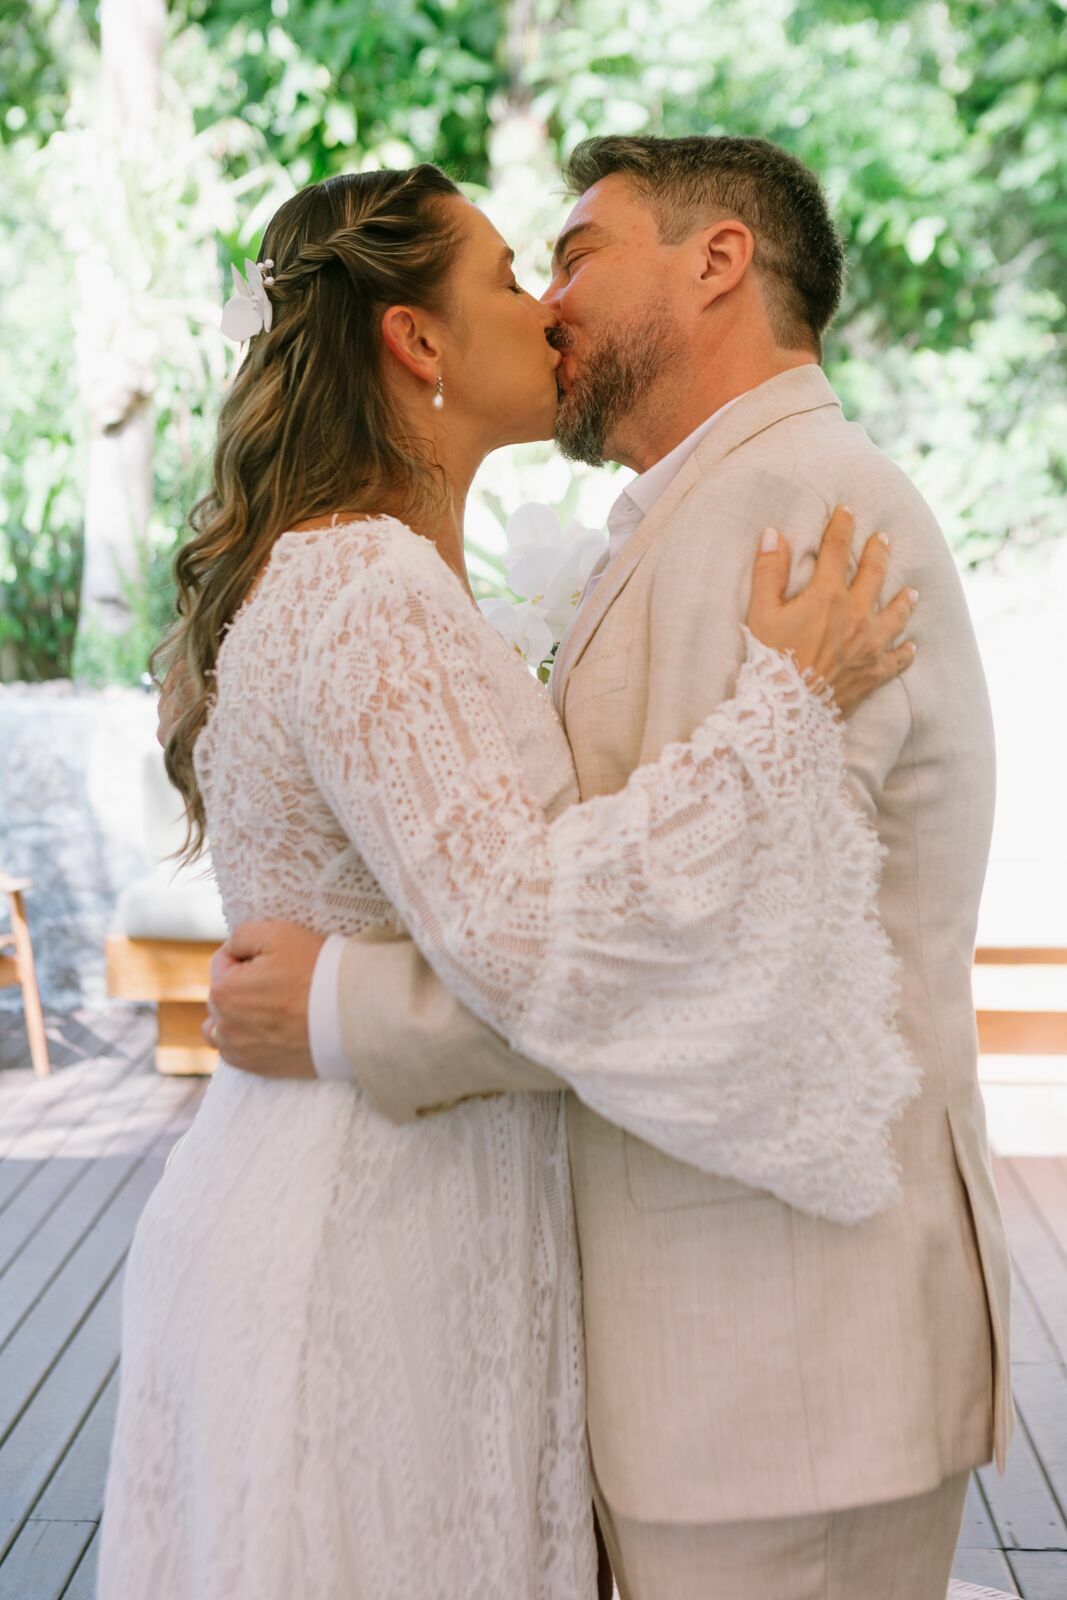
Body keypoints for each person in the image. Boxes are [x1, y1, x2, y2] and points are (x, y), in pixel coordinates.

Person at [97, 162, 917, 1600]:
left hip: (368, 1208)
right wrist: (785, 703)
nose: (545, 310)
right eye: (504, 277)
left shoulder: (347, 577)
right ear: (415, 342)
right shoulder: (369, 594)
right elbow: (526, 927)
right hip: (366, 1256)